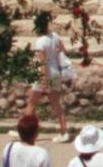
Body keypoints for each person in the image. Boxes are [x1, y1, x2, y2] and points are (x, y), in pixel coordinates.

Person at [26, 10, 76, 142]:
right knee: (56, 104)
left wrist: (43, 80)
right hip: (55, 72)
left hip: (44, 73)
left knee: (32, 102)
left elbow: (43, 63)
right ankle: (64, 131)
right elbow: (64, 51)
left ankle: (27, 132)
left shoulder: (40, 42)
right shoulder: (55, 36)